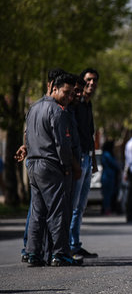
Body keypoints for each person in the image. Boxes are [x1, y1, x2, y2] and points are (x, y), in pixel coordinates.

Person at [24, 73, 82, 267]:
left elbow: (27, 136)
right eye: (66, 92)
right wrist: (68, 166)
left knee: (37, 211)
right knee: (58, 211)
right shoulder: (57, 111)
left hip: (33, 164)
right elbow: (62, 144)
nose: (68, 97)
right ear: (54, 88)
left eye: (71, 93)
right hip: (50, 165)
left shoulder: (33, 108)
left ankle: (34, 253)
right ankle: (59, 254)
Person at [70, 68, 99, 259]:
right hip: (78, 158)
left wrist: (94, 159)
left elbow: (90, 135)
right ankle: (68, 246)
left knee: (81, 206)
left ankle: (75, 243)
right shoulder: (75, 105)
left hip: (88, 157)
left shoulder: (88, 105)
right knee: (73, 205)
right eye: (88, 80)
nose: (91, 83)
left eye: (94, 81)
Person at [100, 140, 121, 215]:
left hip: (110, 177)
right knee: (107, 195)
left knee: (110, 194)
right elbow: (114, 164)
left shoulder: (108, 154)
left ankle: (108, 208)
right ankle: (106, 209)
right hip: (108, 177)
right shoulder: (107, 154)